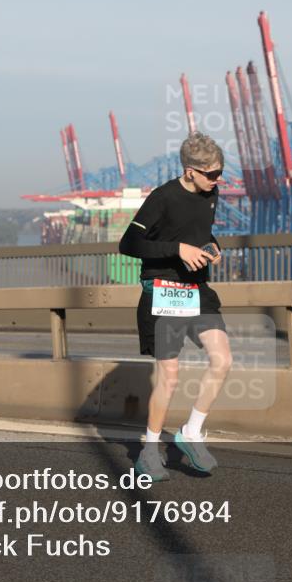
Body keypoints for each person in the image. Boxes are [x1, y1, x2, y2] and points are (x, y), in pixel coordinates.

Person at [118, 131, 233, 481]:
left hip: (197, 290)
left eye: (220, 172)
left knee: (223, 359)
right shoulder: (162, 197)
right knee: (169, 378)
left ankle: (191, 432)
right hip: (164, 293)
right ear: (189, 172)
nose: (218, 179)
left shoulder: (210, 194)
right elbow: (129, 242)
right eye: (211, 174)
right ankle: (149, 451)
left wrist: (212, 246)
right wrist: (177, 249)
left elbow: (198, 231)